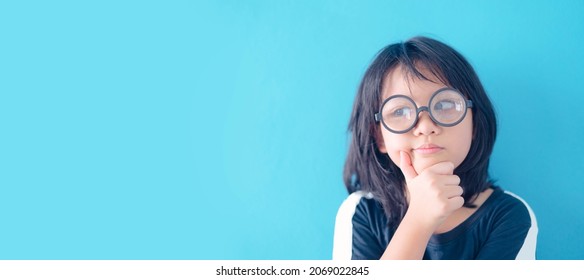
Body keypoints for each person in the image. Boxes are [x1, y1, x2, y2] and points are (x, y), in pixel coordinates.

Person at [333, 36, 538, 260]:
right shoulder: (360, 212)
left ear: (475, 125)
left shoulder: (510, 216)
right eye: (400, 111)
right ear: (380, 137)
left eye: (445, 105)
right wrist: (419, 220)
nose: (426, 127)